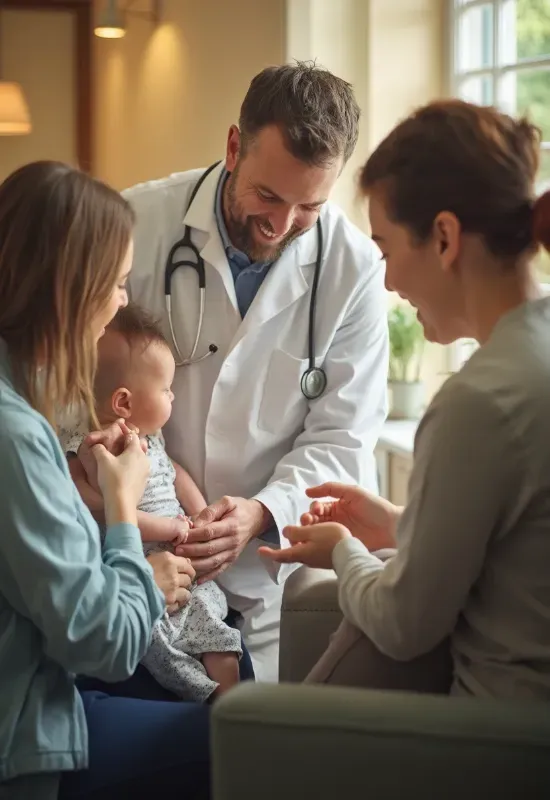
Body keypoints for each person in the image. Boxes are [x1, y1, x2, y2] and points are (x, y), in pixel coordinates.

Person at [261, 99, 550, 700]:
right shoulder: (533, 357)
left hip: (497, 742)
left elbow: (402, 626)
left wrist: (343, 552)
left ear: (444, 238)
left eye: (388, 250)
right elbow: (523, 556)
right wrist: (400, 528)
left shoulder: (480, 402)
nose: (388, 282)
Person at [121, 62, 389, 680]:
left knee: (249, 749)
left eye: (308, 207)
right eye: (268, 195)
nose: (280, 224)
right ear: (234, 146)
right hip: (143, 554)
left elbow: (342, 437)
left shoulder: (353, 271)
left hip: (272, 566)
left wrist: (260, 512)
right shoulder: (138, 223)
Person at [0, 160, 210, 800]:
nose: (122, 301)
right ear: (71, 290)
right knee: (251, 740)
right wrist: (123, 516)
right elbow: (106, 642)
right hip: (23, 738)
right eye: (116, 284)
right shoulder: (16, 437)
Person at [62, 302, 243, 703]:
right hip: (136, 573)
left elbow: (175, 473)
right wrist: (174, 528)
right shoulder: (98, 449)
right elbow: (108, 507)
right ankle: (208, 703)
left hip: (180, 569)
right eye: (164, 389)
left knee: (219, 634)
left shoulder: (151, 439)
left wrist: (201, 515)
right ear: (123, 403)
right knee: (162, 649)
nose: (172, 395)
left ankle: (235, 710)